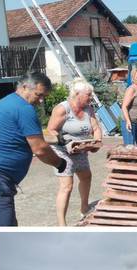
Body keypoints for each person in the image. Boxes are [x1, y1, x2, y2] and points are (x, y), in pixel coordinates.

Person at [0, 72, 66, 226]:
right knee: (3, 228)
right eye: (39, 95)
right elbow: (40, 149)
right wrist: (60, 163)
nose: (41, 101)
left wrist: (58, 140)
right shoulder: (24, 109)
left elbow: (27, 137)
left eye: (44, 97)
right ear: (24, 87)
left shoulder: (9, 102)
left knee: (7, 224)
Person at [47, 77, 102, 226]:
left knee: (86, 176)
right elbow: (51, 130)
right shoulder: (62, 109)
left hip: (81, 150)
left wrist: (96, 142)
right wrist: (66, 143)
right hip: (63, 151)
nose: (91, 98)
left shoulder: (88, 109)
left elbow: (96, 128)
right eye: (88, 95)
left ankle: (84, 207)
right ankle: (61, 224)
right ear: (77, 94)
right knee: (67, 186)